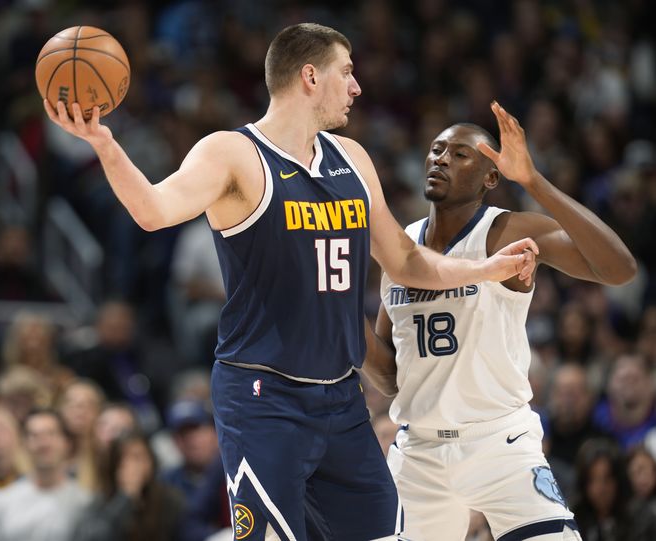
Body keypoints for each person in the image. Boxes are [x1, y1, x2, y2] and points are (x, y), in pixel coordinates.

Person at [45, 23, 538, 540]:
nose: (356, 87)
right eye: (346, 72)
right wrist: (103, 141)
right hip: (264, 398)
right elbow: (152, 210)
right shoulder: (232, 154)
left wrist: (484, 269)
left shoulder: (352, 159)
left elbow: (407, 261)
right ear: (310, 76)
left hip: (342, 398)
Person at [368, 101, 637, 541]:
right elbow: (390, 377)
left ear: (490, 177)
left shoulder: (506, 231)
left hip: (498, 442)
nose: (441, 158)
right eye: (437, 150)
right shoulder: (401, 250)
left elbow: (619, 268)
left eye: (460, 154)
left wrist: (533, 180)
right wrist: (338, 314)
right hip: (419, 450)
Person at [0, 409, 91, 541]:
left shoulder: (86, 504)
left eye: (51, 433)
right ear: (23, 444)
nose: (43, 442)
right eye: (34, 435)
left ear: (67, 443)